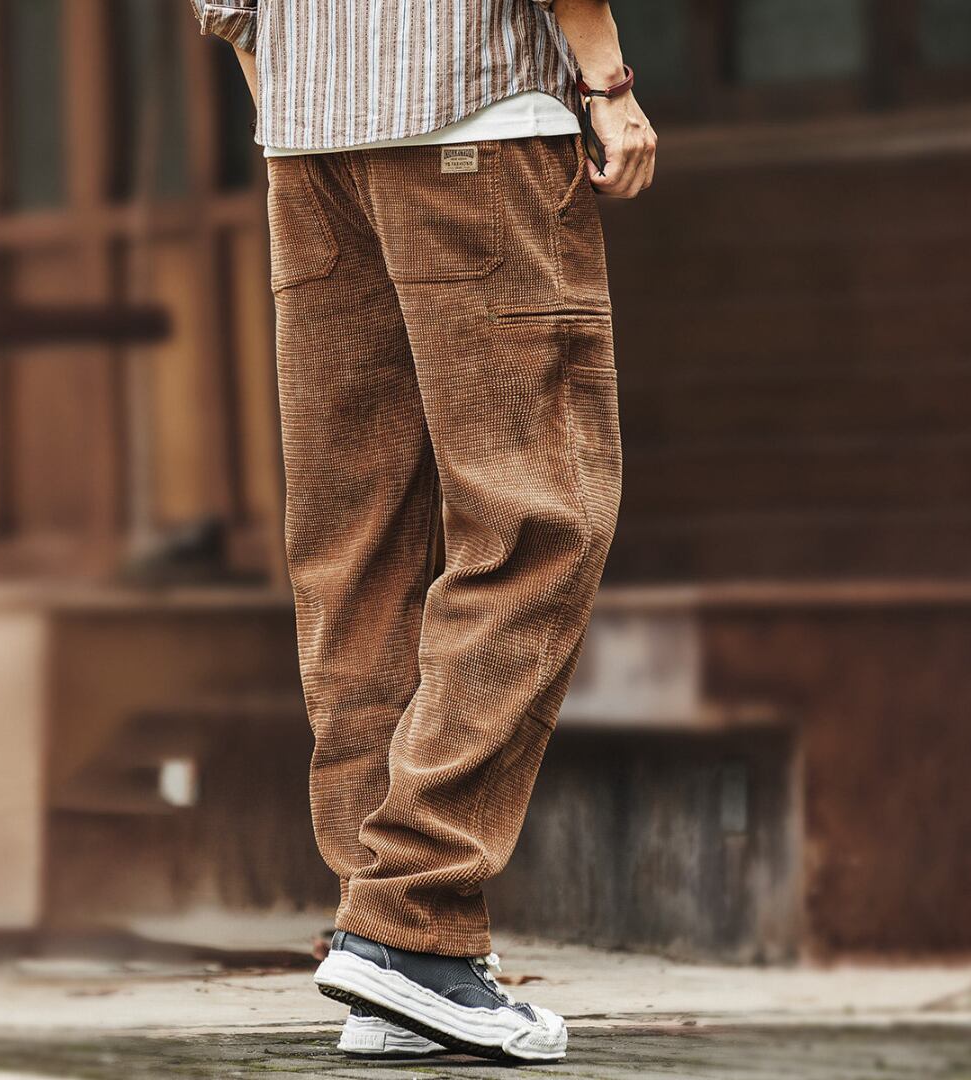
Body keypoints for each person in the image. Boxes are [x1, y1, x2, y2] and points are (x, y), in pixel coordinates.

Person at [189, 0, 656, 1061]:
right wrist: (607, 83)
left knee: (354, 545)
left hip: (308, 143)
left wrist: (297, 105)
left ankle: (383, 946)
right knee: (540, 519)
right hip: (475, 115)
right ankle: (413, 921)